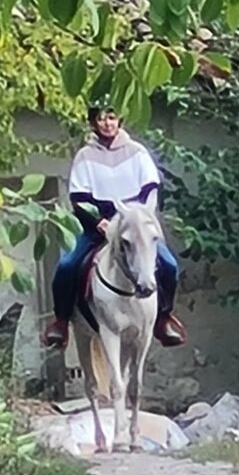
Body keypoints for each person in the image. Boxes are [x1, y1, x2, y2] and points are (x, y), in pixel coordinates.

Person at [42, 103, 187, 350]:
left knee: (170, 266)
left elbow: (151, 189)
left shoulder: (137, 152)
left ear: (119, 120)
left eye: (112, 117)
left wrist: (138, 218)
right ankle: (62, 321)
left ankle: (163, 318)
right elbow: (79, 199)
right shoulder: (85, 156)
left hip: (134, 226)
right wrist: (98, 222)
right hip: (97, 225)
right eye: (101, 118)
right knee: (66, 267)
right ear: (93, 123)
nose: (107, 123)